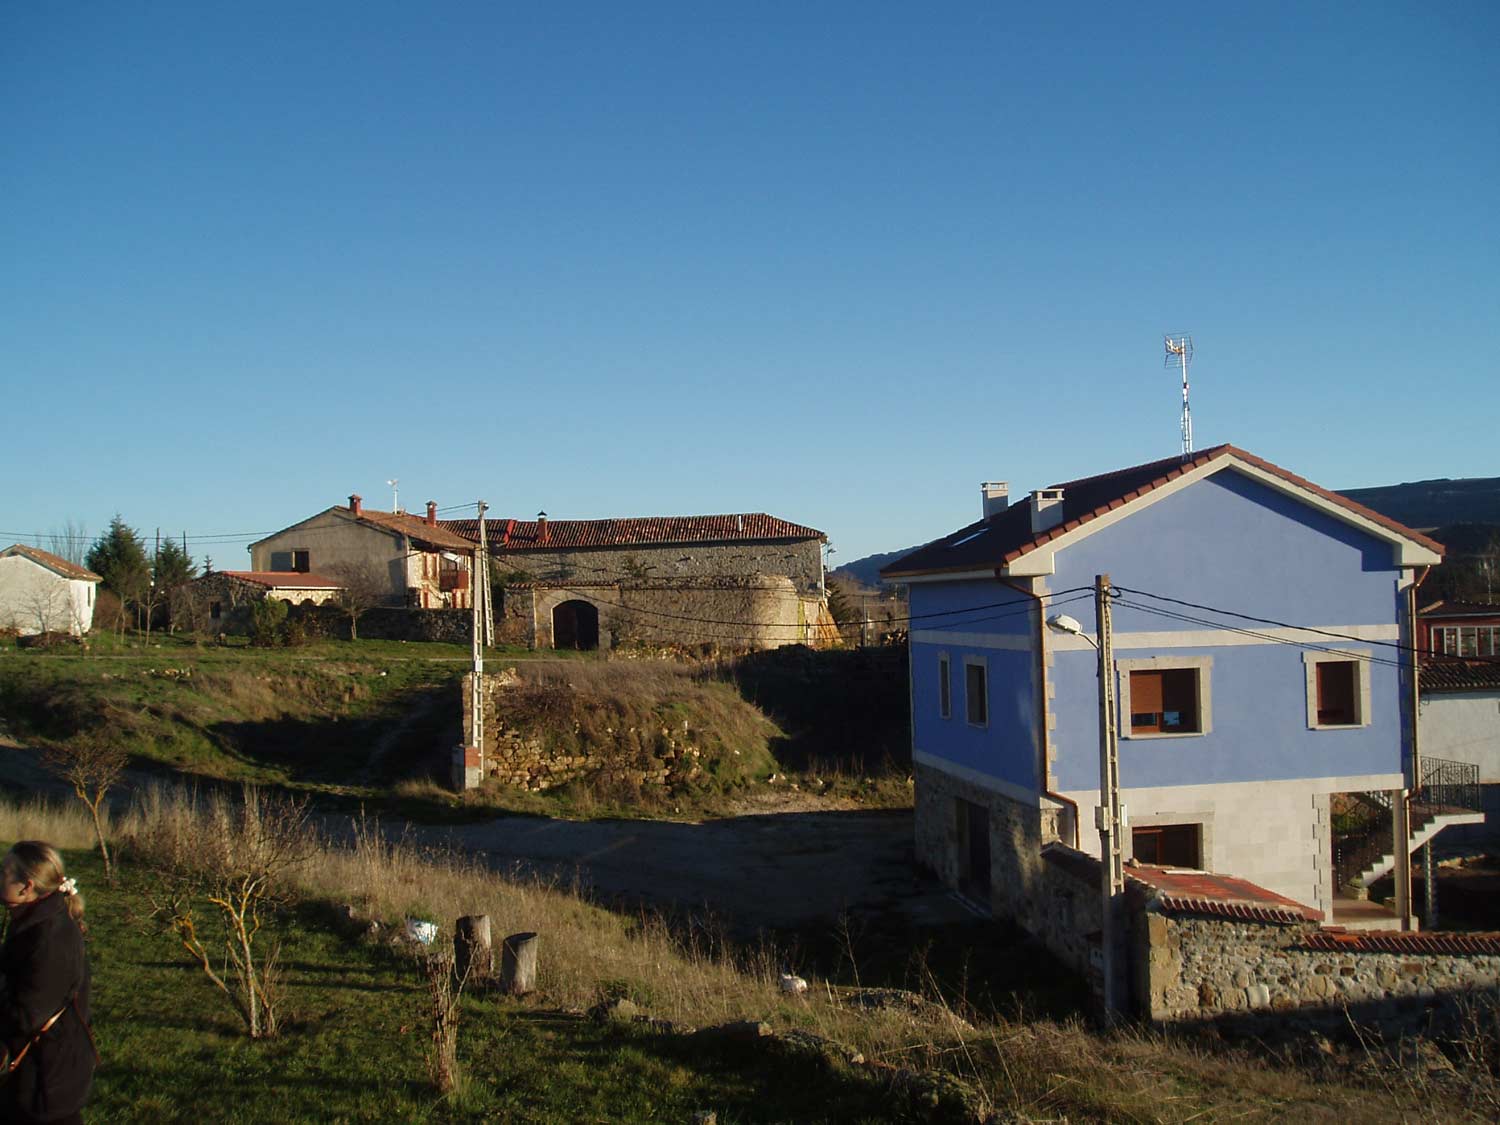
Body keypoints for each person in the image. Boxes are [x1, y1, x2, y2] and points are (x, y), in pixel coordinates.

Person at [0, 841, 95, 1125]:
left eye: (3, 871)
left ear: (26, 887)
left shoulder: (51, 939)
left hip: (47, 1083)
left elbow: (25, 1015)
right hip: (32, 1078)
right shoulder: (32, 921)